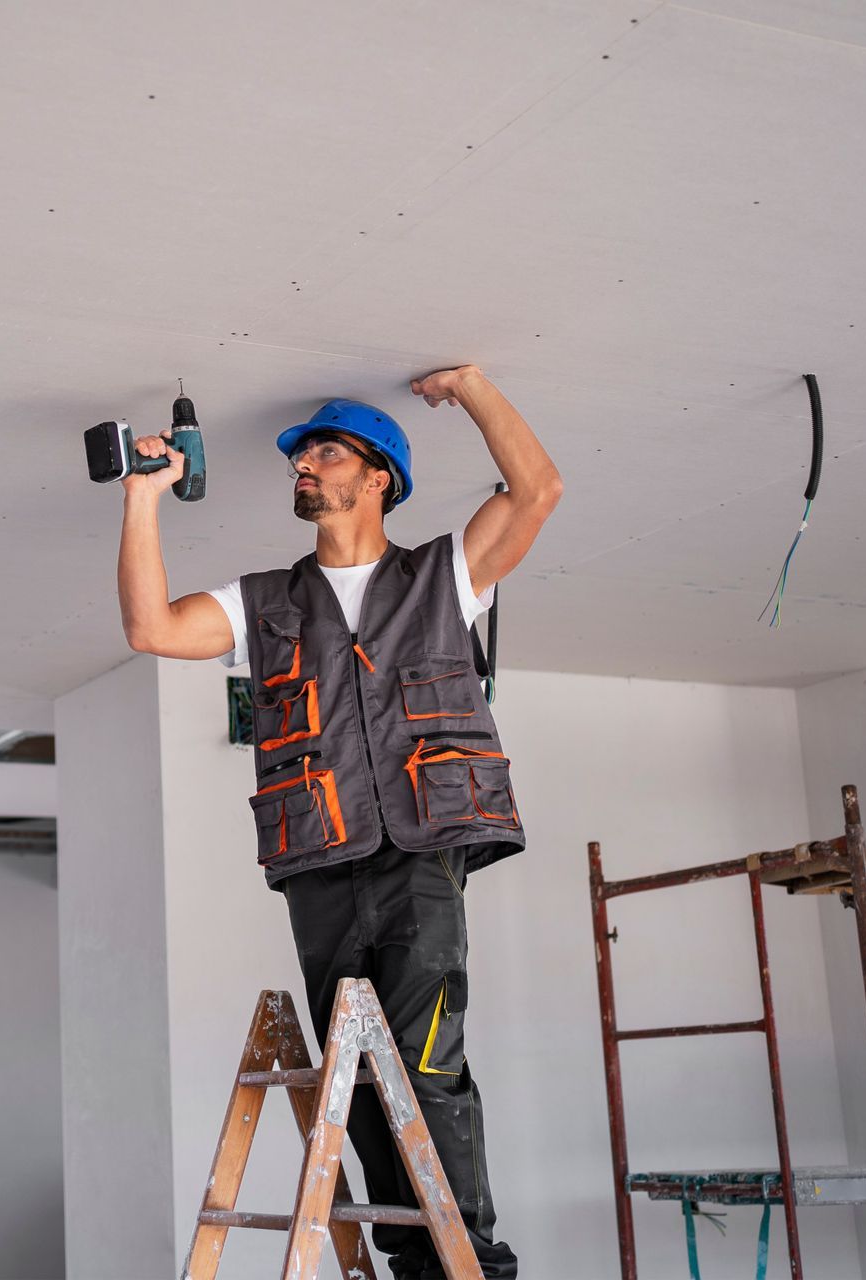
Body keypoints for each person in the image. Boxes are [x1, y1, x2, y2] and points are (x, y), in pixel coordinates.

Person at [117, 364, 562, 1279]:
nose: (303, 468)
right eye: (300, 459)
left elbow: (538, 490)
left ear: (379, 476)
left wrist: (474, 386)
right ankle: (412, 1262)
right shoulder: (265, 602)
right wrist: (142, 499)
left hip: (421, 856)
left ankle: (470, 1267)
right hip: (319, 864)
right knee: (356, 1084)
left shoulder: (445, 576)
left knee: (426, 1067)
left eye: (323, 453)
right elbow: (152, 630)